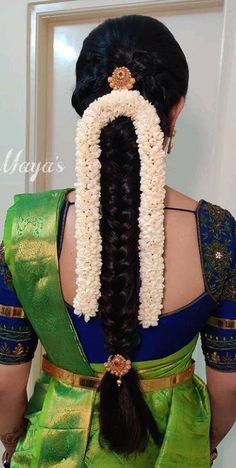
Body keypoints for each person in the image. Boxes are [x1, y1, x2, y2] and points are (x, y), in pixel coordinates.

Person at [0, 14, 235, 468]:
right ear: (176, 107)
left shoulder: (27, 231)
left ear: (84, 105)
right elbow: (227, 386)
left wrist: (12, 441)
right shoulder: (219, 234)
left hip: (55, 450)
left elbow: (7, 383)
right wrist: (203, 446)